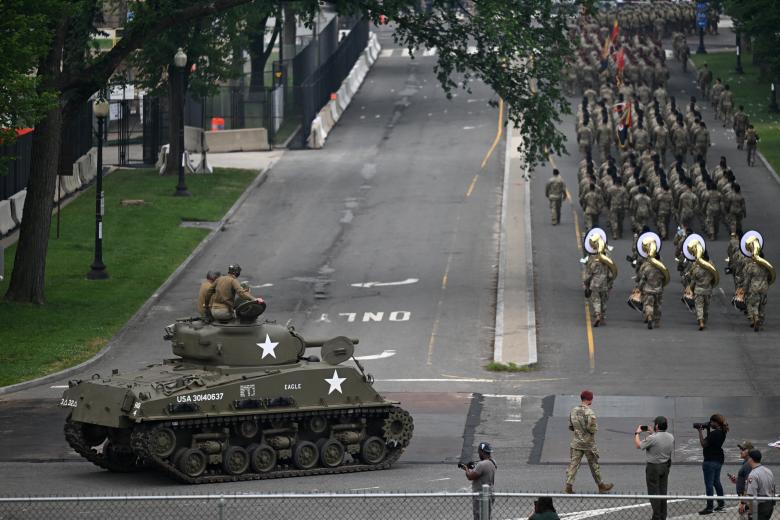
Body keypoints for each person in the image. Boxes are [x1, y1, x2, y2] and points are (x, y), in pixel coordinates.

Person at [565, 390, 613, 494]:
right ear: (590, 399)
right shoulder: (590, 412)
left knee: (573, 464)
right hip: (589, 444)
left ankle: (569, 485)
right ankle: (601, 485)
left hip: (576, 442)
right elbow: (592, 429)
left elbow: (571, 426)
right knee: (594, 465)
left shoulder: (573, 410)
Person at [635, 416, 674, 520]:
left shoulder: (653, 438)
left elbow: (639, 445)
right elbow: (659, 441)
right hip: (665, 466)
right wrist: (653, 433)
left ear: (656, 426)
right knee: (663, 492)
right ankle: (663, 516)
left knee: (653, 492)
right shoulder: (671, 436)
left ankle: (656, 516)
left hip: (653, 467)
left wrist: (637, 433)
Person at [697, 414, 729, 515]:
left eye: (711, 422)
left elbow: (704, 444)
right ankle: (721, 504)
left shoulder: (715, 434)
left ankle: (709, 507)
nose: (710, 424)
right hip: (718, 460)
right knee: (716, 482)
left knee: (709, 484)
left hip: (710, 461)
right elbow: (711, 442)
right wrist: (708, 429)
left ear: (716, 422)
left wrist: (700, 432)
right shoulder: (722, 432)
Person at [462, 441, 497, 520]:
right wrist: (474, 467)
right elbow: (482, 471)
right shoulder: (493, 462)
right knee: (487, 516)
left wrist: (466, 468)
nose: (478, 454)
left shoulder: (481, 465)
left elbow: (470, 476)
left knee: (479, 516)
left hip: (480, 495)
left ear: (482, 451)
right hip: (490, 492)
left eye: (479, 452)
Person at [743, 450, 776, 520]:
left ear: (751, 459)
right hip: (770, 506)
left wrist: (752, 513)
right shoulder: (768, 470)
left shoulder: (753, 474)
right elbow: (773, 488)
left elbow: (751, 497)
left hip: (760, 508)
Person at [729, 441, 754, 520]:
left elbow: (749, 484)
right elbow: (746, 480)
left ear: (749, 451)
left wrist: (743, 502)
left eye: (743, 449)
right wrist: (737, 480)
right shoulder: (745, 462)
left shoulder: (749, 464)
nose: (741, 451)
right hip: (746, 498)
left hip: (747, 500)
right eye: (741, 449)